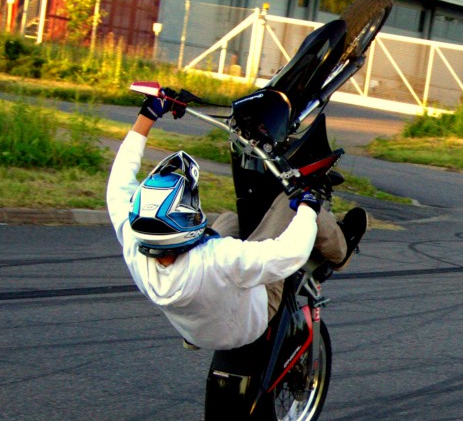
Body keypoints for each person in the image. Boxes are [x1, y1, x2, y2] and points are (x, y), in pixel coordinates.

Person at [106, 89, 366, 352]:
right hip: (251, 320)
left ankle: (198, 329)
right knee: (288, 205)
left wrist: (147, 116)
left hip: (198, 329)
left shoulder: (135, 244)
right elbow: (289, 254)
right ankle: (340, 252)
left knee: (229, 221)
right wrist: (308, 206)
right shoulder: (218, 258)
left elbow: (118, 182)